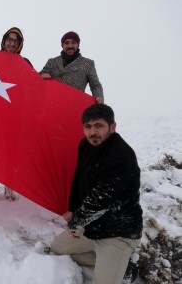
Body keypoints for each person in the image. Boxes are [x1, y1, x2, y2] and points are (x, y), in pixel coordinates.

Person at [50, 104, 143, 284]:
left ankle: (123, 266)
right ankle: (114, 264)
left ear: (112, 127)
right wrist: (72, 209)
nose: (92, 132)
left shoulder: (122, 156)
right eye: (88, 126)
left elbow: (101, 199)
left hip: (119, 231)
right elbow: (78, 178)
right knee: (58, 249)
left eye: (99, 126)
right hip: (93, 226)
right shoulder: (85, 145)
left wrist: (76, 223)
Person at [0, 27, 33, 201]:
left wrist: (43, 78)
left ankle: (10, 184)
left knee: (11, 149)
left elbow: (33, 83)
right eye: (9, 39)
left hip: (13, 114)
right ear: (4, 41)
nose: (11, 43)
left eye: (15, 40)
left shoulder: (24, 62)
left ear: (20, 44)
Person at [39, 31, 104, 104]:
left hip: (74, 105)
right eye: (66, 43)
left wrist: (99, 97)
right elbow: (39, 78)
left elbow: (95, 85)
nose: (70, 46)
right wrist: (43, 75)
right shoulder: (52, 62)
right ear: (62, 45)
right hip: (53, 103)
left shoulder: (88, 64)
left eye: (73, 42)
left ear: (78, 44)